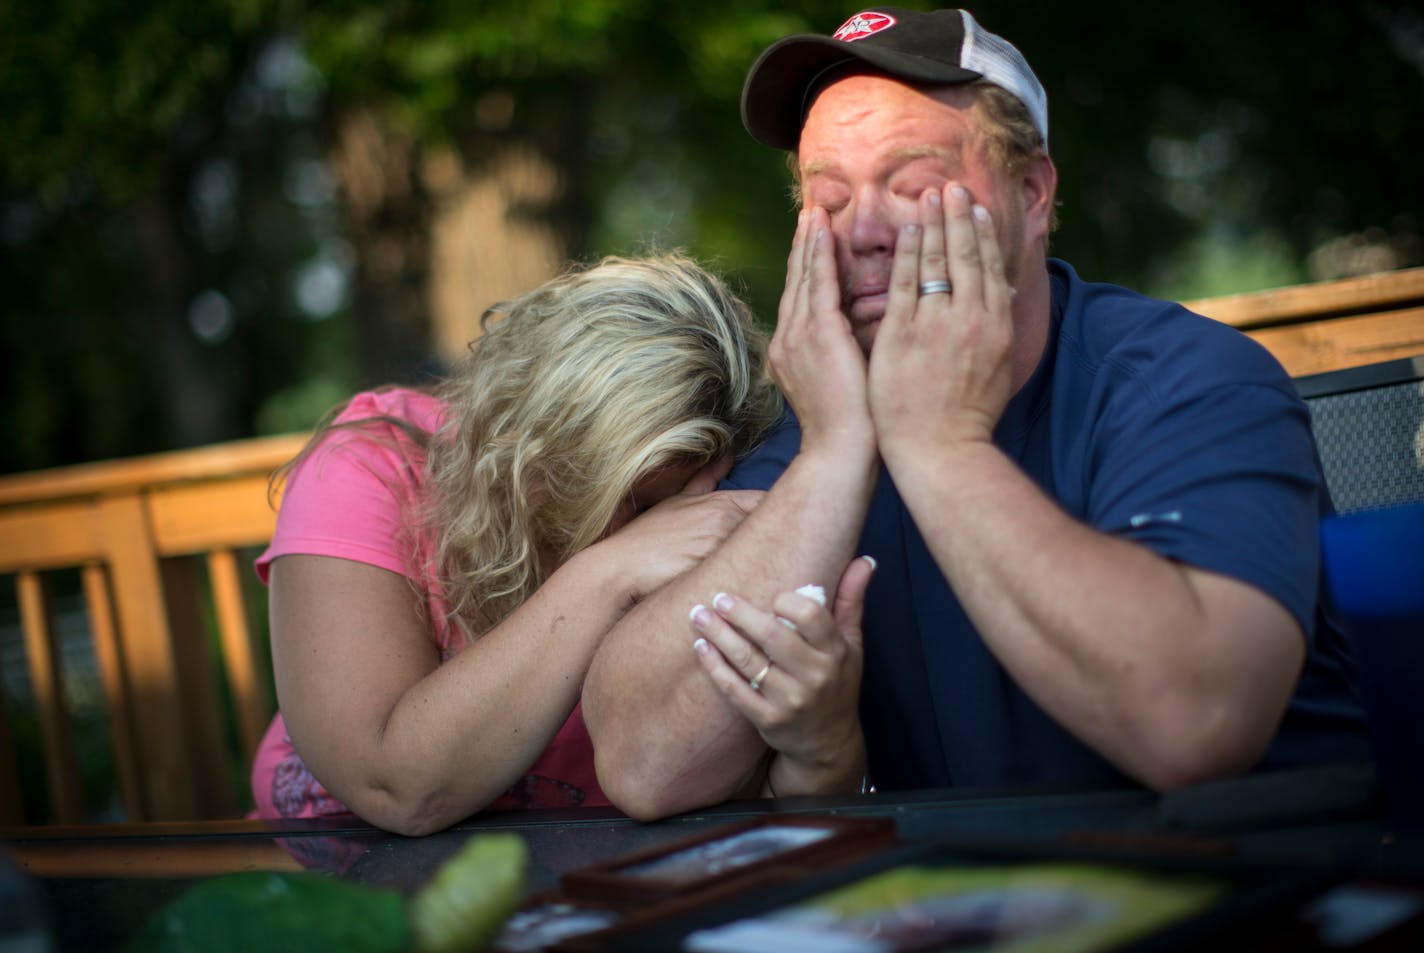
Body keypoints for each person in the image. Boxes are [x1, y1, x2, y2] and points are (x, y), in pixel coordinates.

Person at [581, 7, 1371, 821]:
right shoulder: (820, 422)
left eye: (915, 186)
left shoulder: (1189, 379)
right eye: (829, 198)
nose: (865, 231)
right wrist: (834, 453)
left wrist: (939, 442)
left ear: (1031, 195)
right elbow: (646, 765)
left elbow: (1194, 722)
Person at [249, 253, 787, 836]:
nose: (630, 530)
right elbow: (394, 788)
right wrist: (608, 575)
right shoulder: (371, 471)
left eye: (663, 507)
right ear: (526, 437)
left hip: (592, 892)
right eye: (602, 490)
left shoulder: (724, 508)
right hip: (332, 876)